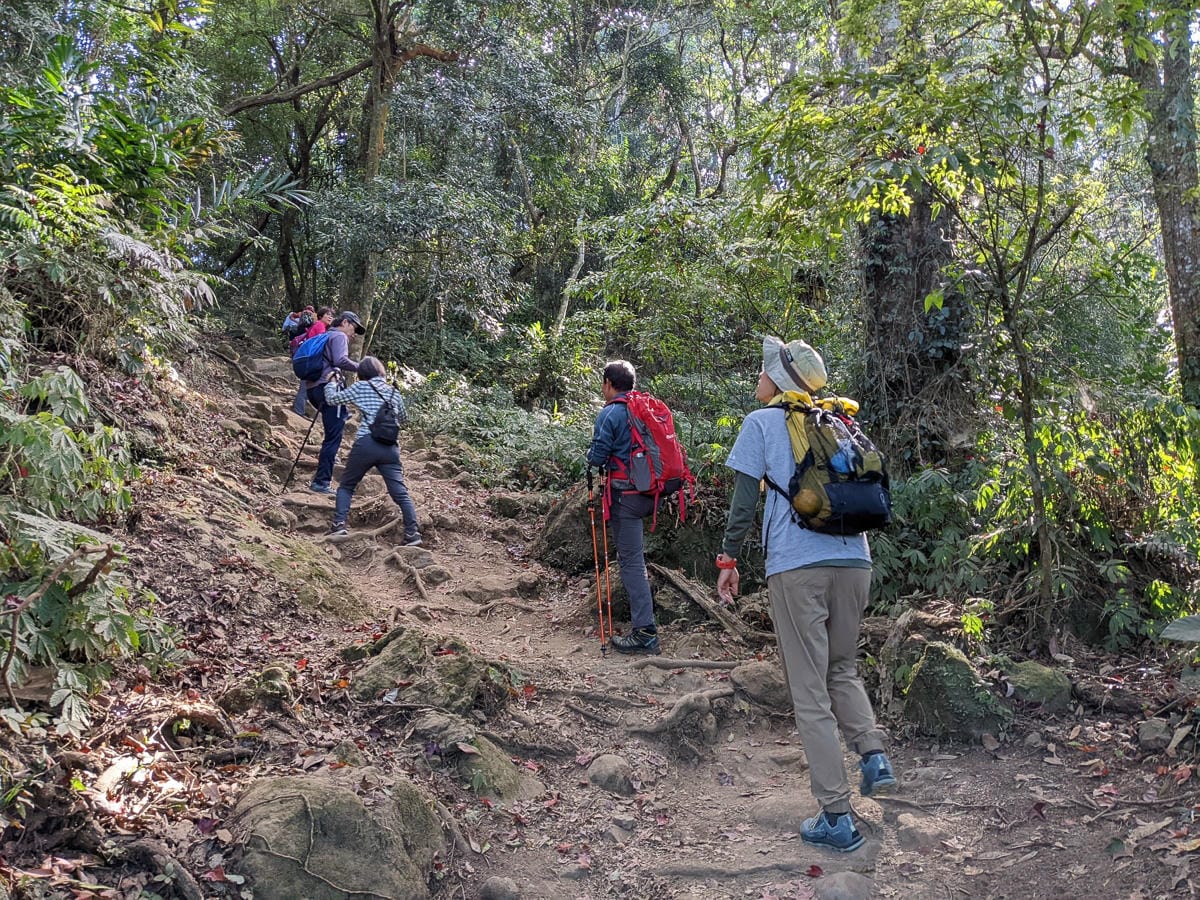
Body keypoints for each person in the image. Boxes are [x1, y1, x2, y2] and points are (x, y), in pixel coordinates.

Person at [716, 335, 895, 853]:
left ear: (779, 378)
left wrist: (728, 561)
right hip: (855, 561)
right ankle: (873, 756)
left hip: (798, 568)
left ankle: (837, 816)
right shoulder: (840, 423)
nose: (759, 377)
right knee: (842, 668)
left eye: (763, 369)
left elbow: (744, 504)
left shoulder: (763, 423)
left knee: (810, 690)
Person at [586, 360, 660, 655]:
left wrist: (591, 455)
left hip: (625, 496)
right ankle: (644, 628)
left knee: (631, 562)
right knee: (634, 558)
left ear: (607, 383)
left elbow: (598, 456)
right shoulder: (644, 409)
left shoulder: (612, 413)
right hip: (649, 492)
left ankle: (645, 633)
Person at [323, 357, 422, 545]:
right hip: (390, 448)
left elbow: (332, 400)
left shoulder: (361, 387)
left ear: (362, 373)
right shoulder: (394, 392)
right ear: (381, 371)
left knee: (347, 485)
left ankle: (340, 525)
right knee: (400, 493)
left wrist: (332, 382)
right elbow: (404, 418)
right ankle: (412, 534)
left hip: (366, 443)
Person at [304, 311, 364, 494]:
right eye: (353, 328)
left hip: (313, 387)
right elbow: (340, 360)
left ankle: (328, 465)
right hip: (328, 387)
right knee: (334, 436)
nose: (353, 334)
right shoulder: (338, 336)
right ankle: (321, 482)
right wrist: (363, 367)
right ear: (345, 322)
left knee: (334, 426)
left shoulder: (325, 334)